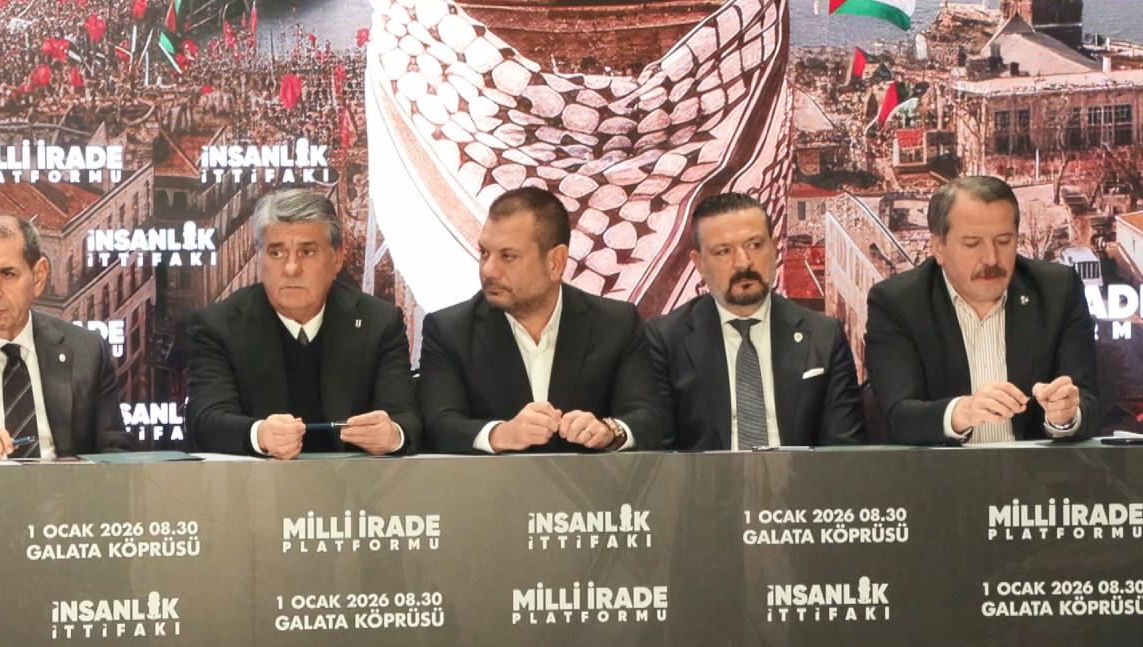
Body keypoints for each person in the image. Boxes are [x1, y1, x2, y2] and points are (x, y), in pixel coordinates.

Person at [418, 187, 662, 453]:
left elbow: (649, 418)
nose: (488, 270)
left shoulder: (616, 324)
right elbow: (439, 425)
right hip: (492, 481)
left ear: (555, 262)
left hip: (590, 481)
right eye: (484, 253)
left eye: (508, 256)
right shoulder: (449, 331)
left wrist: (609, 432)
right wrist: (501, 434)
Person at [186, 189, 420, 458]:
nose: (291, 268)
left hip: (356, 483)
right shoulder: (218, 326)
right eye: (276, 253)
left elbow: (408, 420)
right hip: (258, 482)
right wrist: (259, 435)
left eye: (307, 252)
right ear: (259, 258)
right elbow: (205, 420)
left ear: (337, 258)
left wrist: (392, 435)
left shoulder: (378, 323)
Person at [865, 175, 1099, 445]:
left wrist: (1065, 416)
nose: (991, 259)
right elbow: (899, 416)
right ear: (938, 247)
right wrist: (962, 412)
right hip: (942, 470)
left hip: (1034, 471)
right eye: (972, 243)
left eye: (1004, 241)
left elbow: (1089, 403)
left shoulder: (1058, 291)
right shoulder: (897, 303)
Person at [647, 192, 865, 450]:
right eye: (723, 251)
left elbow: (844, 450)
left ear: (774, 247)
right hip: (705, 477)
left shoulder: (823, 335)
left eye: (755, 245)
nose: (743, 263)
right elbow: (660, 452)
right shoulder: (666, 339)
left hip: (798, 476)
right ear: (699, 263)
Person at [0, 215, 132, 460]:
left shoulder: (86, 351)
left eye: (7, 274)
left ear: (39, 277)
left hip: (67, 484)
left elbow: (115, 451)